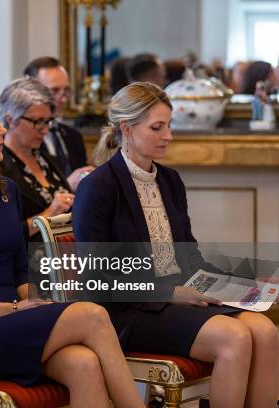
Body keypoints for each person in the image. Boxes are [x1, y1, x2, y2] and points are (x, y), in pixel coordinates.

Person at [0, 87, 145, 408]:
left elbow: (20, 273)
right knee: (93, 315)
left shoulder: (5, 190)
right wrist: (11, 310)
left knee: (84, 364)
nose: (2, 130)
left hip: (10, 321)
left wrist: (39, 305)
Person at [75, 82, 278, 408]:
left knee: (266, 332)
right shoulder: (98, 188)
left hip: (179, 297)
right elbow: (99, 277)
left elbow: (190, 260)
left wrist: (242, 285)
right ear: (127, 129)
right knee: (235, 337)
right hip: (129, 311)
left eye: (169, 126)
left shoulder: (169, 181)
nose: (168, 135)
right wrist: (169, 292)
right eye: (157, 127)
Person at [0, 78, 74, 238]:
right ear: (10, 120)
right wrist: (48, 214)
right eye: (38, 122)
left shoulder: (48, 160)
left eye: (48, 121)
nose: (45, 130)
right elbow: (0, 235)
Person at [23, 57, 93, 179]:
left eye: (66, 90)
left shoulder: (73, 136)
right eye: (54, 91)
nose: (63, 98)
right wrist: (67, 185)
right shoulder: (24, 137)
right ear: (31, 91)